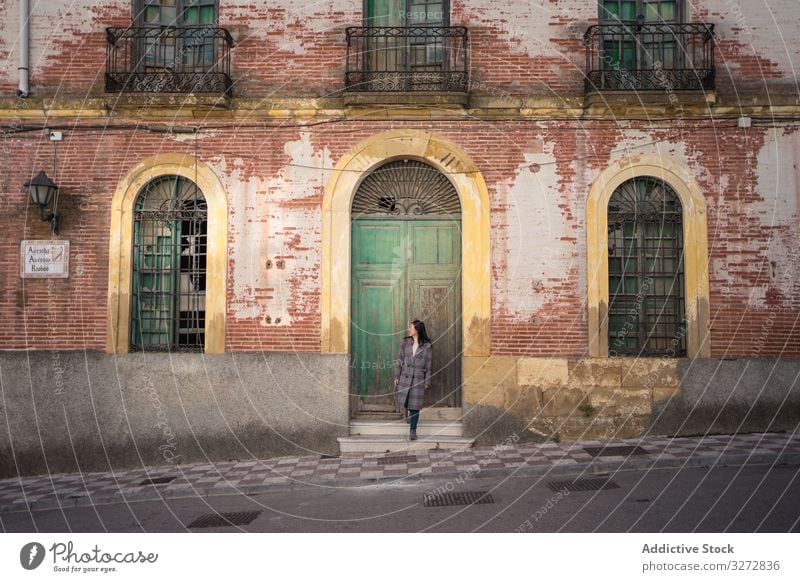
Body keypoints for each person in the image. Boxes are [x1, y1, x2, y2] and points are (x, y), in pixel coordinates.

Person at [393, 319, 432, 441]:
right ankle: (409, 413)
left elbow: (429, 364)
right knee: (405, 399)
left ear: (417, 330)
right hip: (405, 375)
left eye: (411, 327)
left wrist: (427, 381)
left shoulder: (427, 345)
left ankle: (413, 430)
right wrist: (396, 376)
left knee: (415, 405)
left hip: (418, 378)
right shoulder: (405, 342)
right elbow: (399, 359)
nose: (409, 329)